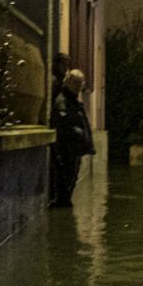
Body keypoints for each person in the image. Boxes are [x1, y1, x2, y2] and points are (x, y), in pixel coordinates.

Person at [50, 68, 94, 207]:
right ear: (69, 82)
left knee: (70, 181)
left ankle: (64, 206)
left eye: (81, 83)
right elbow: (63, 123)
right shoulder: (63, 100)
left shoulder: (73, 100)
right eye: (76, 83)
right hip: (67, 149)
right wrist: (79, 133)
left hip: (74, 148)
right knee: (65, 182)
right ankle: (61, 207)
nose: (79, 86)